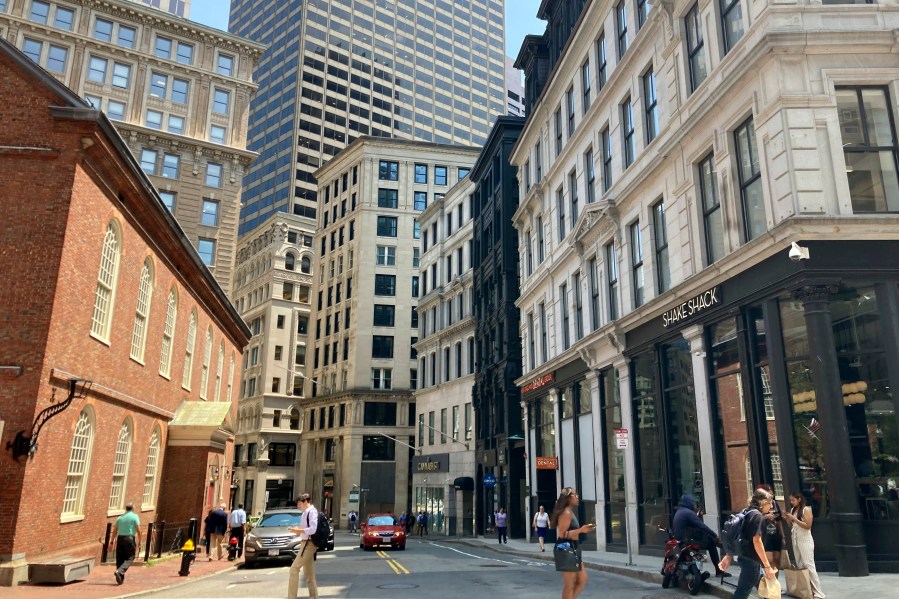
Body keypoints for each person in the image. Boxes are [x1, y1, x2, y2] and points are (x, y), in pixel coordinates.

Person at [718, 488, 778, 599]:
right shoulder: (757, 516)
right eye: (770, 503)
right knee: (742, 593)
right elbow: (757, 541)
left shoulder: (746, 511)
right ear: (763, 502)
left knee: (764, 586)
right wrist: (767, 566)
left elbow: (736, 535)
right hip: (751, 559)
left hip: (744, 557)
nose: (771, 507)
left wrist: (728, 556)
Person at [550, 487, 595, 599]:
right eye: (575, 495)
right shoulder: (566, 513)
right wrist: (581, 530)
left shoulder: (570, 512)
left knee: (582, 579)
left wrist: (583, 529)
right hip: (565, 548)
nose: (577, 497)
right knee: (570, 584)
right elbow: (561, 534)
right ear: (568, 498)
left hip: (573, 547)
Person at [672, 494, 728, 577]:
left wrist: (698, 515)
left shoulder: (680, 511)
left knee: (709, 539)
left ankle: (724, 548)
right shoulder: (688, 513)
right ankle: (719, 570)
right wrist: (715, 534)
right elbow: (701, 525)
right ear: (689, 503)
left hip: (681, 540)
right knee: (711, 543)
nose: (695, 506)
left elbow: (692, 523)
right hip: (687, 540)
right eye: (693, 504)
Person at [785, 492, 825, 599]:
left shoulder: (806, 509)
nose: (791, 502)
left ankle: (818, 592)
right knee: (800, 564)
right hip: (795, 538)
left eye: (793, 500)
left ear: (799, 499)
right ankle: (807, 589)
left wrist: (794, 519)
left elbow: (807, 526)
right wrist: (788, 519)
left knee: (809, 565)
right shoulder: (793, 510)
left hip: (805, 539)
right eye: (790, 500)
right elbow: (792, 525)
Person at [287, 493, 319, 599]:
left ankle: (292, 597)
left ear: (306, 502)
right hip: (305, 543)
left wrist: (299, 530)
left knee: (294, 569)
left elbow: (313, 529)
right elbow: (305, 529)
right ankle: (314, 597)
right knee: (309, 574)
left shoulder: (312, 512)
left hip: (309, 544)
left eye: (299, 503)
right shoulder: (306, 512)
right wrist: (297, 531)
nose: (298, 506)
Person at [756, 483, 783, 570]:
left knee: (776, 559)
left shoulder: (774, 503)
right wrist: (766, 517)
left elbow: (779, 520)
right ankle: (768, 580)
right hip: (765, 534)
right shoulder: (757, 506)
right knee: (769, 560)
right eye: (769, 490)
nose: (771, 492)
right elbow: (756, 519)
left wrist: (782, 535)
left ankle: (775, 582)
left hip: (775, 533)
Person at [113, 503, 141, 585]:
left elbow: (115, 530)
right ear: (132, 509)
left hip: (120, 539)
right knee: (131, 557)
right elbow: (138, 529)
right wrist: (139, 541)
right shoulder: (135, 516)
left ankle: (120, 579)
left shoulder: (120, 518)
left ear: (126, 509)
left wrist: (111, 541)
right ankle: (119, 571)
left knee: (120, 558)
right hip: (129, 539)